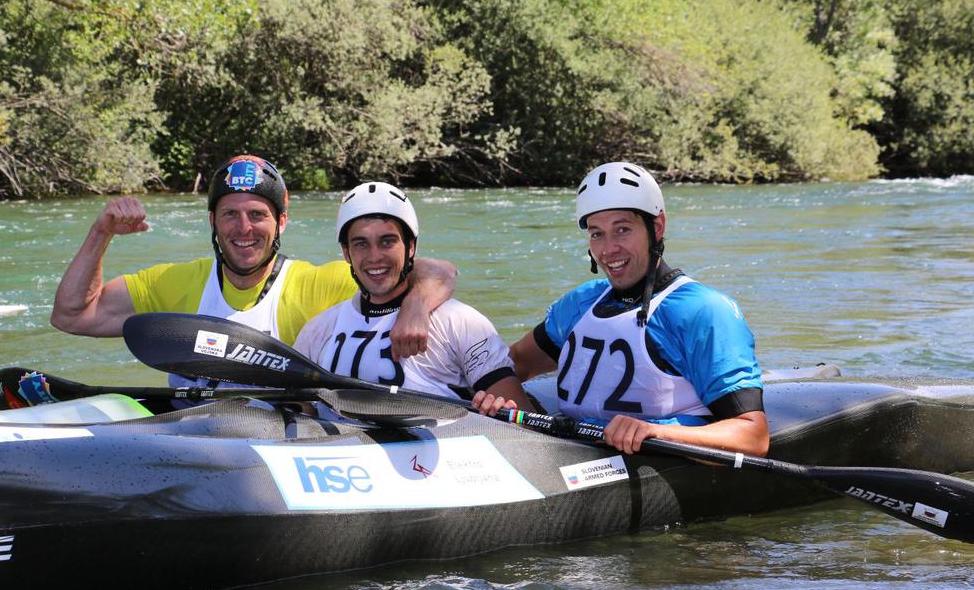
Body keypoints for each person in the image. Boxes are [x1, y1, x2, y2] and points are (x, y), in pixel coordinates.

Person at [473, 161, 769, 457]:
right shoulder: (581, 304)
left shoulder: (702, 311)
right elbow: (514, 365)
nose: (608, 249)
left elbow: (753, 435)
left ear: (657, 226)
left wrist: (654, 431)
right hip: (575, 453)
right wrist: (498, 401)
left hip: (661, 457)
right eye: (596, 234)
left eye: (622, 229)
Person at [51, 155, 457, 362]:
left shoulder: (321, 283)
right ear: (213, 221)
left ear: (281, 222)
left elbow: (437, 270)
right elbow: (72, 315)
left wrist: (416, 304)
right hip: (191, 435)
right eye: (230, 214)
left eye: (258, 215)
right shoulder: (174, 284)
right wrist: (100, 234)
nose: (243, 228)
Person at [294, 182, 528, 407]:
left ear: (411, 247)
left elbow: (523, 422)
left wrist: (495, 411)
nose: (375, 257)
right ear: (346, 252)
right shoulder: (317, 331)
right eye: (361, 244)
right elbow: (298, 412)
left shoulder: (461, 323)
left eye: (387, 241)